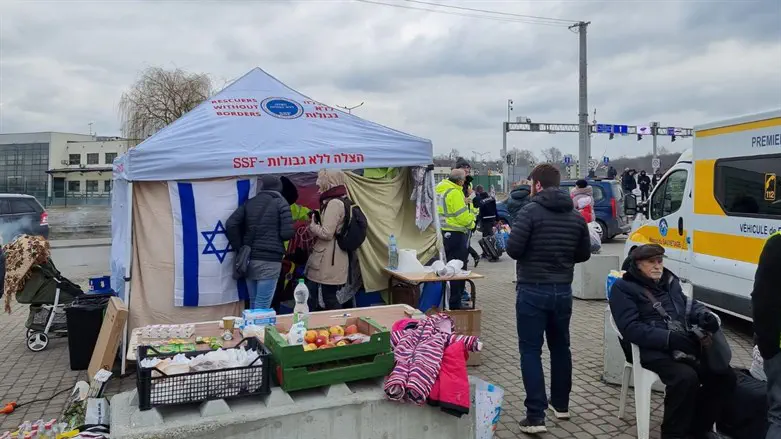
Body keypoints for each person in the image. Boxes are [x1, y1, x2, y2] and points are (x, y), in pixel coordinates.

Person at [610, 244, 736, 439]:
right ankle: (673, 433)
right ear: (637, 264)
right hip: (650, 349)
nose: (657, 266)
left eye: (660, 261)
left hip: (683, 344)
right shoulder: (623, 288)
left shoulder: (670, 281)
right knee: (686, 378)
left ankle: (698, 428)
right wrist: (669, 339)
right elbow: (630, 329)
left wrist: (703, 315)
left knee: (724, 376)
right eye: (651, 262)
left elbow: (688, 305)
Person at [505, 164, 592, 433]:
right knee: (560, 347)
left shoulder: (529, 211)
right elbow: (584, 254)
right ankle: (561, 405)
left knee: (530, 350)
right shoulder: (575, 216)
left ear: (538, 185)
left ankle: (535, 416)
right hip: (563, 291)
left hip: (533, 289)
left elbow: (514, 250)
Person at [226, 175, 294, 310]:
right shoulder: (282, 203)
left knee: (253, 302)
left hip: (250, 259)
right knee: (263, 305)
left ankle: (250, 330)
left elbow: (231, 223)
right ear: (278, 187)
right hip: (270, 260)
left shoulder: (250, 202)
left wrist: (240, 247)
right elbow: (286, 234)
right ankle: (258, 331)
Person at [305, 169, 350, 311]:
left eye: (320, 180)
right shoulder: (342, 199)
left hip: (328, 258)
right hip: (333, 257)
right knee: (327, 296)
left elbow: (327, 233)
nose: (318, 184)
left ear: (327, 181)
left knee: (326, 297)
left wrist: (313, 226)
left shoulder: (334, 203)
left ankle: (335, 326)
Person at [751, 230, 781, 438]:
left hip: (777, 345)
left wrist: (766, 345)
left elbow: (762, 300)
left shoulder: (776, 243)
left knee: (779, 416)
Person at [435, 168, 475, 310]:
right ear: (459, 181)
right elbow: (463, 217)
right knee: (458, 270)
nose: (465, 182)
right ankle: (455, 303)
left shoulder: (440, 188)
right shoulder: (455, 192)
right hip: (457, 234)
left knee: (445, 269)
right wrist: (472, 221)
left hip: (443, 233)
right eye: (464, 180)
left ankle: (444, 302)